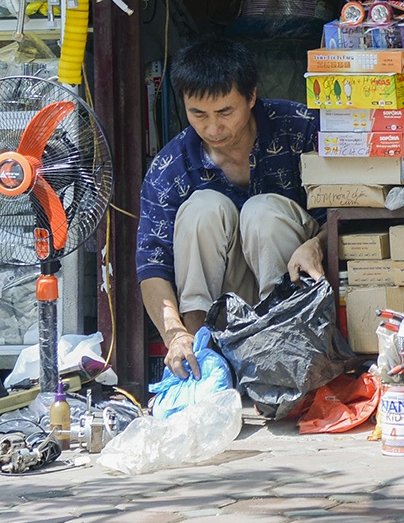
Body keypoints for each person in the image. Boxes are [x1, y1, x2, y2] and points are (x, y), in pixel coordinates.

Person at [138, 39, 326, 377]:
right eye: (198, 114)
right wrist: (174, 334)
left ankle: (284, 349)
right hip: (224, 300)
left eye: (225, 112)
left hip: (294, 286)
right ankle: (200, 352)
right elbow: (153, 264)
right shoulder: (170, 167)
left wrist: (317, 244)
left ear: (251, 97)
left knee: (262, 211)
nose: (212, 128)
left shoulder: (302, 129)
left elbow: (347, 211)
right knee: (203, 208)